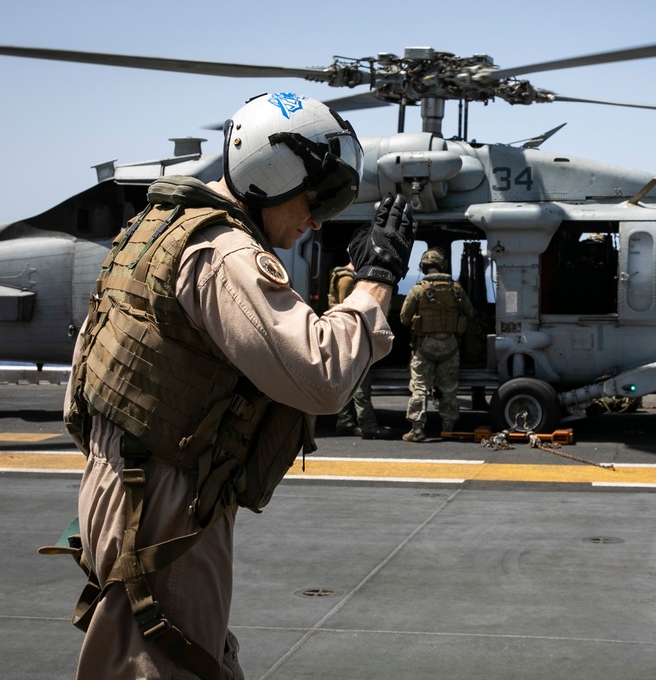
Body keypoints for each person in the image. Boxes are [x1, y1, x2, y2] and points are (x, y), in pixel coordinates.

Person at [60, 92, 414, 680]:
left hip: (126, 477)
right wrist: (375, 283)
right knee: (167, 663)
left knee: (152, 652)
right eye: (320, 197)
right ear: (269, 177)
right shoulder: (225, 252)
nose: (320, 221)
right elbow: (321, 377)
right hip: (163, 495)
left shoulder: (158, 227)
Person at [399, 248, 476, 442]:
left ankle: (417, 430)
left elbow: (404, 318)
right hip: (450, 346)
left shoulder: (418, 289)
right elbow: (471, 313)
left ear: (423, 267)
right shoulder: (456, 289)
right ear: (442, 265)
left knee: (420, 388)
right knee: (449, 388)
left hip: (424, 346)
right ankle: (448, 426)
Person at [328, 262, 392, 439]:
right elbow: (348, 310)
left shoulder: (343, 276)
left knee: (348, 381)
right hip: (349, 337)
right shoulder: (347, 279)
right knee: (360, 383)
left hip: (346, 337)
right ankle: (368, 425)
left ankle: (345, 423)